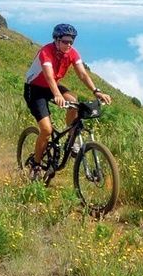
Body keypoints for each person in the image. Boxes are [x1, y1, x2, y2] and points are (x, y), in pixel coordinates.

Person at [23, 23, 111, 176]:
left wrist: (96, 91)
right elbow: (49, 76)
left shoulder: (72, 53)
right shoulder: (46, 52)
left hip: (53, 86)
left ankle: (71, 139)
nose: (69, 44)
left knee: (74, 102)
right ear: (56, 40)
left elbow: (82, 74)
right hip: (35, 89)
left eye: (71, 41)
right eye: (65, 41)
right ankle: (36, 165)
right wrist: (57, 95)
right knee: (46, 130)